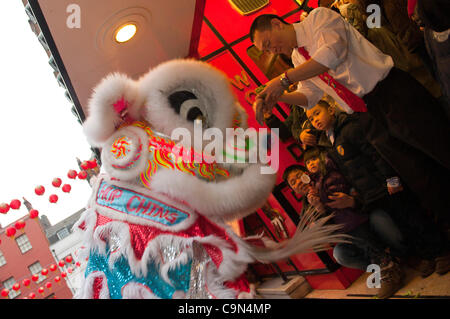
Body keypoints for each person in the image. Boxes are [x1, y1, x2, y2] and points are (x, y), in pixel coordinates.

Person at [249, 8, 450, 223]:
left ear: (277, 23)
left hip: (389, 92)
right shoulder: (298, 58)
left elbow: (332, 54)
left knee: (438, 145)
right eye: (267, 50)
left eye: (268, 43)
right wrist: (278, 97)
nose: (272, 50)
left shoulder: (318, 18)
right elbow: (309, 97)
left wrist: (282, 81)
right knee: (416, 173)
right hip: (365, 114)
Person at [303, 100, 450, 276]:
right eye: (311, 118)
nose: (315, 120)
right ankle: (427, 254)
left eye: (317, 113)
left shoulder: (349, 128)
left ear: (332, 109)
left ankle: (441, 251)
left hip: (384, 184)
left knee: (413, 216)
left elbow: (375, 153)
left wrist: (391, 179)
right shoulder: (330, 140)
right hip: (370, 193)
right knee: (402, 224)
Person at [284, 159, 406, 299]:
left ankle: (398, 259)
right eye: (293, 183)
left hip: (366, 218)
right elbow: (328, 238)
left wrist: (352, 201)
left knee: (376, 223)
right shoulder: (307, 210)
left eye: (298, 176)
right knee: (340, 254)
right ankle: (385, 268)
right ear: (293, 191)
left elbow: (362, 194)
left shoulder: (326, 180)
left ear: (306, 174)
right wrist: (319, 209)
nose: (298, 182)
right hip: (351, 234)